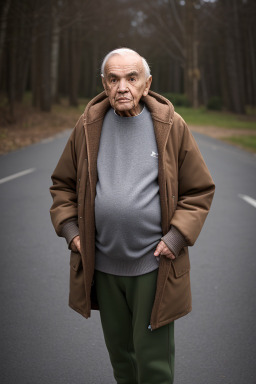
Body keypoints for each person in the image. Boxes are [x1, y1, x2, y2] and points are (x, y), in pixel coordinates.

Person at [50, 48, 215, 384]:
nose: (121, 86)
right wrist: (71, 231)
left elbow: (199, 190)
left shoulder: (170, 125)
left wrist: (177, 237)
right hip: (104, 266)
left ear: (147, 83)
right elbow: (62, 185)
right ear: (104, 83)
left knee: (154, 365)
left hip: (154, 266)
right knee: (122, 361)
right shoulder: (87, 126)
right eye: (113, 79)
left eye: (131, 78)